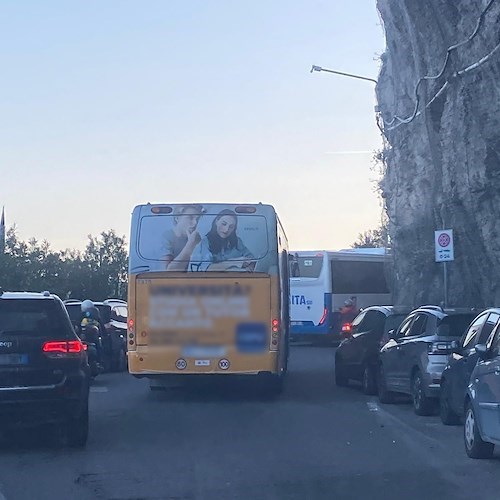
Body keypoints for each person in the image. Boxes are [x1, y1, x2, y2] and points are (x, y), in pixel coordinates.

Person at [189, 209, 255, 271]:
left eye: (231, 227)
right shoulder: (206, 242)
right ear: (216, 221)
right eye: (224, 224)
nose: (226, 230)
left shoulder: (237, 241)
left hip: (237, 280)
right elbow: (208, 268)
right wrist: (234, 262)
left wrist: (250, 267)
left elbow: (252, 259)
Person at [162, 204, 204, 271]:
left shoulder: (194, 238)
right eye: (190, 217)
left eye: (197, 219)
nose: (195, 223)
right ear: (177, 218)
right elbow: (169, 271)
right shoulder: (166, 237)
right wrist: (190, 244)